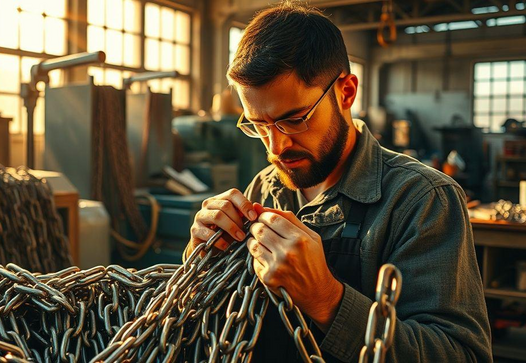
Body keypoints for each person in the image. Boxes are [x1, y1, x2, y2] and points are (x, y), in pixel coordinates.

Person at [182, 2, 492, 362]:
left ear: (345, 92)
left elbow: (461, 355)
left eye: (295, 119)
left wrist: (327, 299)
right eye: (259, 125)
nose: (276, 146)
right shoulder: (264, 188)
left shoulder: (421, 201)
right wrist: (201, 259)